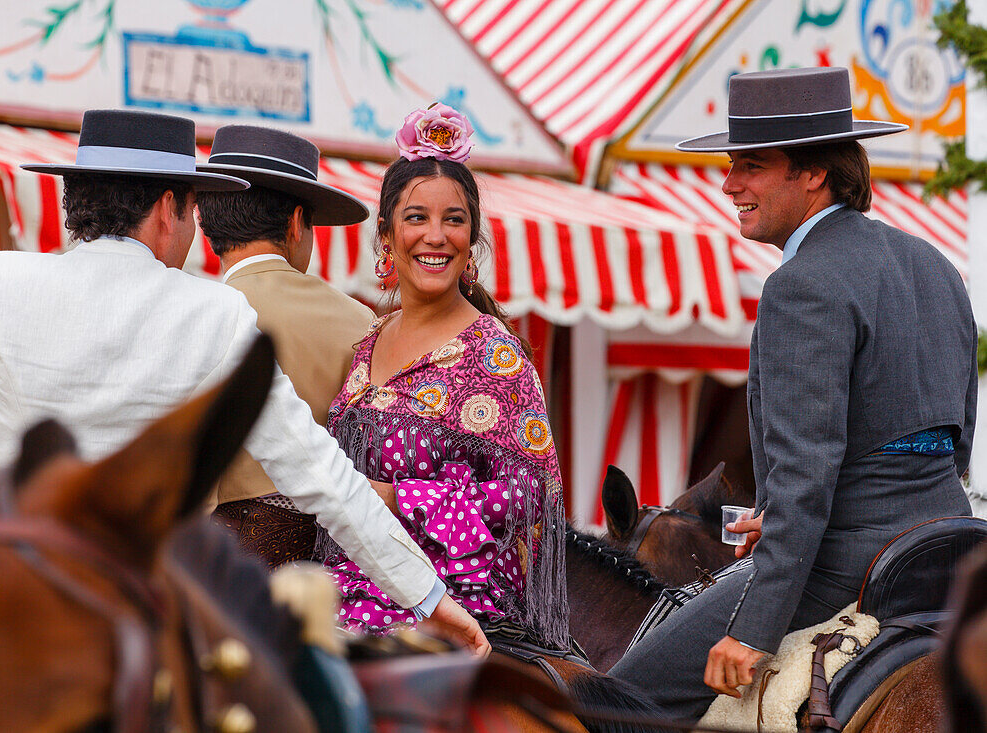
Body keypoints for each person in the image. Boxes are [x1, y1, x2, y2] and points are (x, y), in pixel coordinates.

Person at [0, 108, 488, 655]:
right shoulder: (214, 313)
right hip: (138, 630)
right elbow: (322, 477)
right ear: (168, 210)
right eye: (194, 206)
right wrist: (430, 599)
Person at [610, 66, 976, 718]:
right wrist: (777, 511)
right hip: (952, 544)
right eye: (730, 165)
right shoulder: (937, 264)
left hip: (845, 564)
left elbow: (808, 478)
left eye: (750, 164)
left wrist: (753, 631)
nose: (728, 184)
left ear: (812, 173)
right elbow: (954, 439)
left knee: (619, 702)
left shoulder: (800, 284)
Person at [317, 104, 570, 651]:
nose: (436, 236)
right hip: (351, 584)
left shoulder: (495, 355)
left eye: (453, 220)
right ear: (386, 235)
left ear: (472, 240)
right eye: (416, 218)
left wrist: (399, 498)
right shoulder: (368, 343)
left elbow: (530, 497)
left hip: (456, 601)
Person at [195, 125, 374, 567]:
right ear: (297, 224)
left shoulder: (189, 314)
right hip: (324, 573)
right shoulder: (361, 322)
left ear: (207, 226)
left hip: (207, 570)